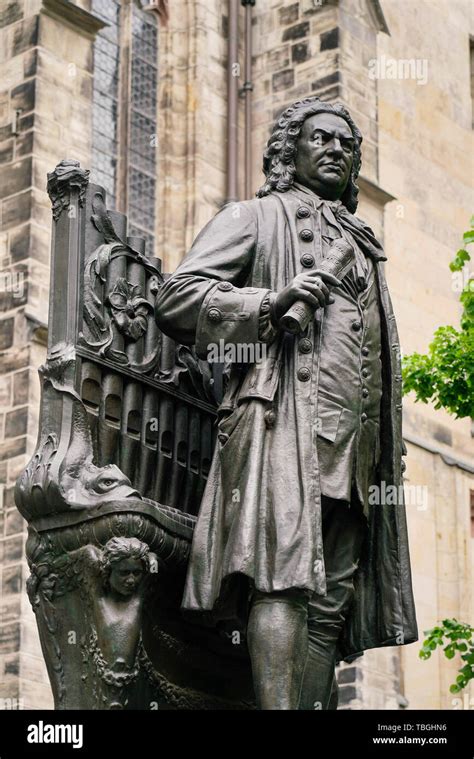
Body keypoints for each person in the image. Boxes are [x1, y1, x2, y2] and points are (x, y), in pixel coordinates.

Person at [155, 96, 418, 710]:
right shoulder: (254, 216)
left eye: (346, 145)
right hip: (283, 424)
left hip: (358, 449)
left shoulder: (364, 245)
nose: (336, 150)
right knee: (283, 578)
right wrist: (269, 303)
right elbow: (177, 299)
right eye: (320, 138)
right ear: (289, 151)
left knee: (332, 599)